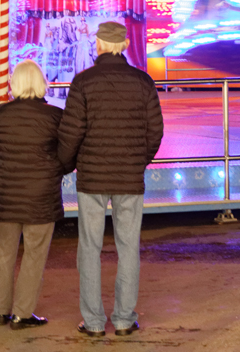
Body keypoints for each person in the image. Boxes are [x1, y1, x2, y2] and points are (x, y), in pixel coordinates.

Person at [58, 21, 164, 338]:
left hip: (91, 178)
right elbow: (155, 131)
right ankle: (123, 320)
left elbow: (71, 131)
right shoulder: (143, 82)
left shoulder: (84, 82)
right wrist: (137, 161)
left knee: (89, 248)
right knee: (128, 247)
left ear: (99, 45)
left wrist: (67, 163)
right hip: (130, 179)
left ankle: (92, 323)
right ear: (125, 45)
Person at [0, 60, 65, 330]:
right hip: (41, 197)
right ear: (41, 83)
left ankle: (0, 310)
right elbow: (65, 156)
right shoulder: (54, 116)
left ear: (14, 84)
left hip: (7, 194)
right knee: (34, 255)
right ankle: (22, 314)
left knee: (4, 252)